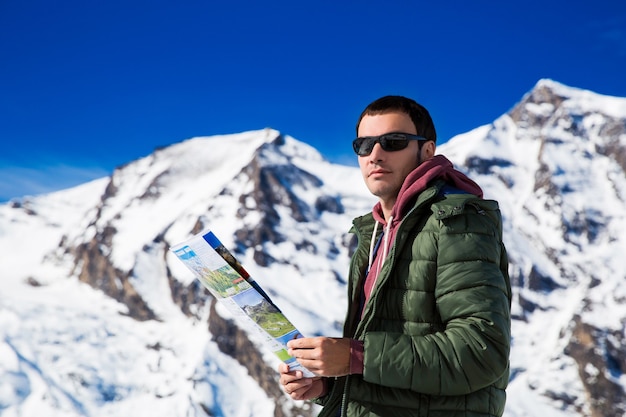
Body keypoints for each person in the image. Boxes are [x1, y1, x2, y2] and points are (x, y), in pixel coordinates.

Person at [278, 95, 512, 417]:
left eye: (393, 142)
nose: (375, 155)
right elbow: (391, 367)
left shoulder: (457, 221)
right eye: (364, 145)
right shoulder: (374, 232)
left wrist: (354, 357)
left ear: (427, 151)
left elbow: (480, 352)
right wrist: (329, 383)